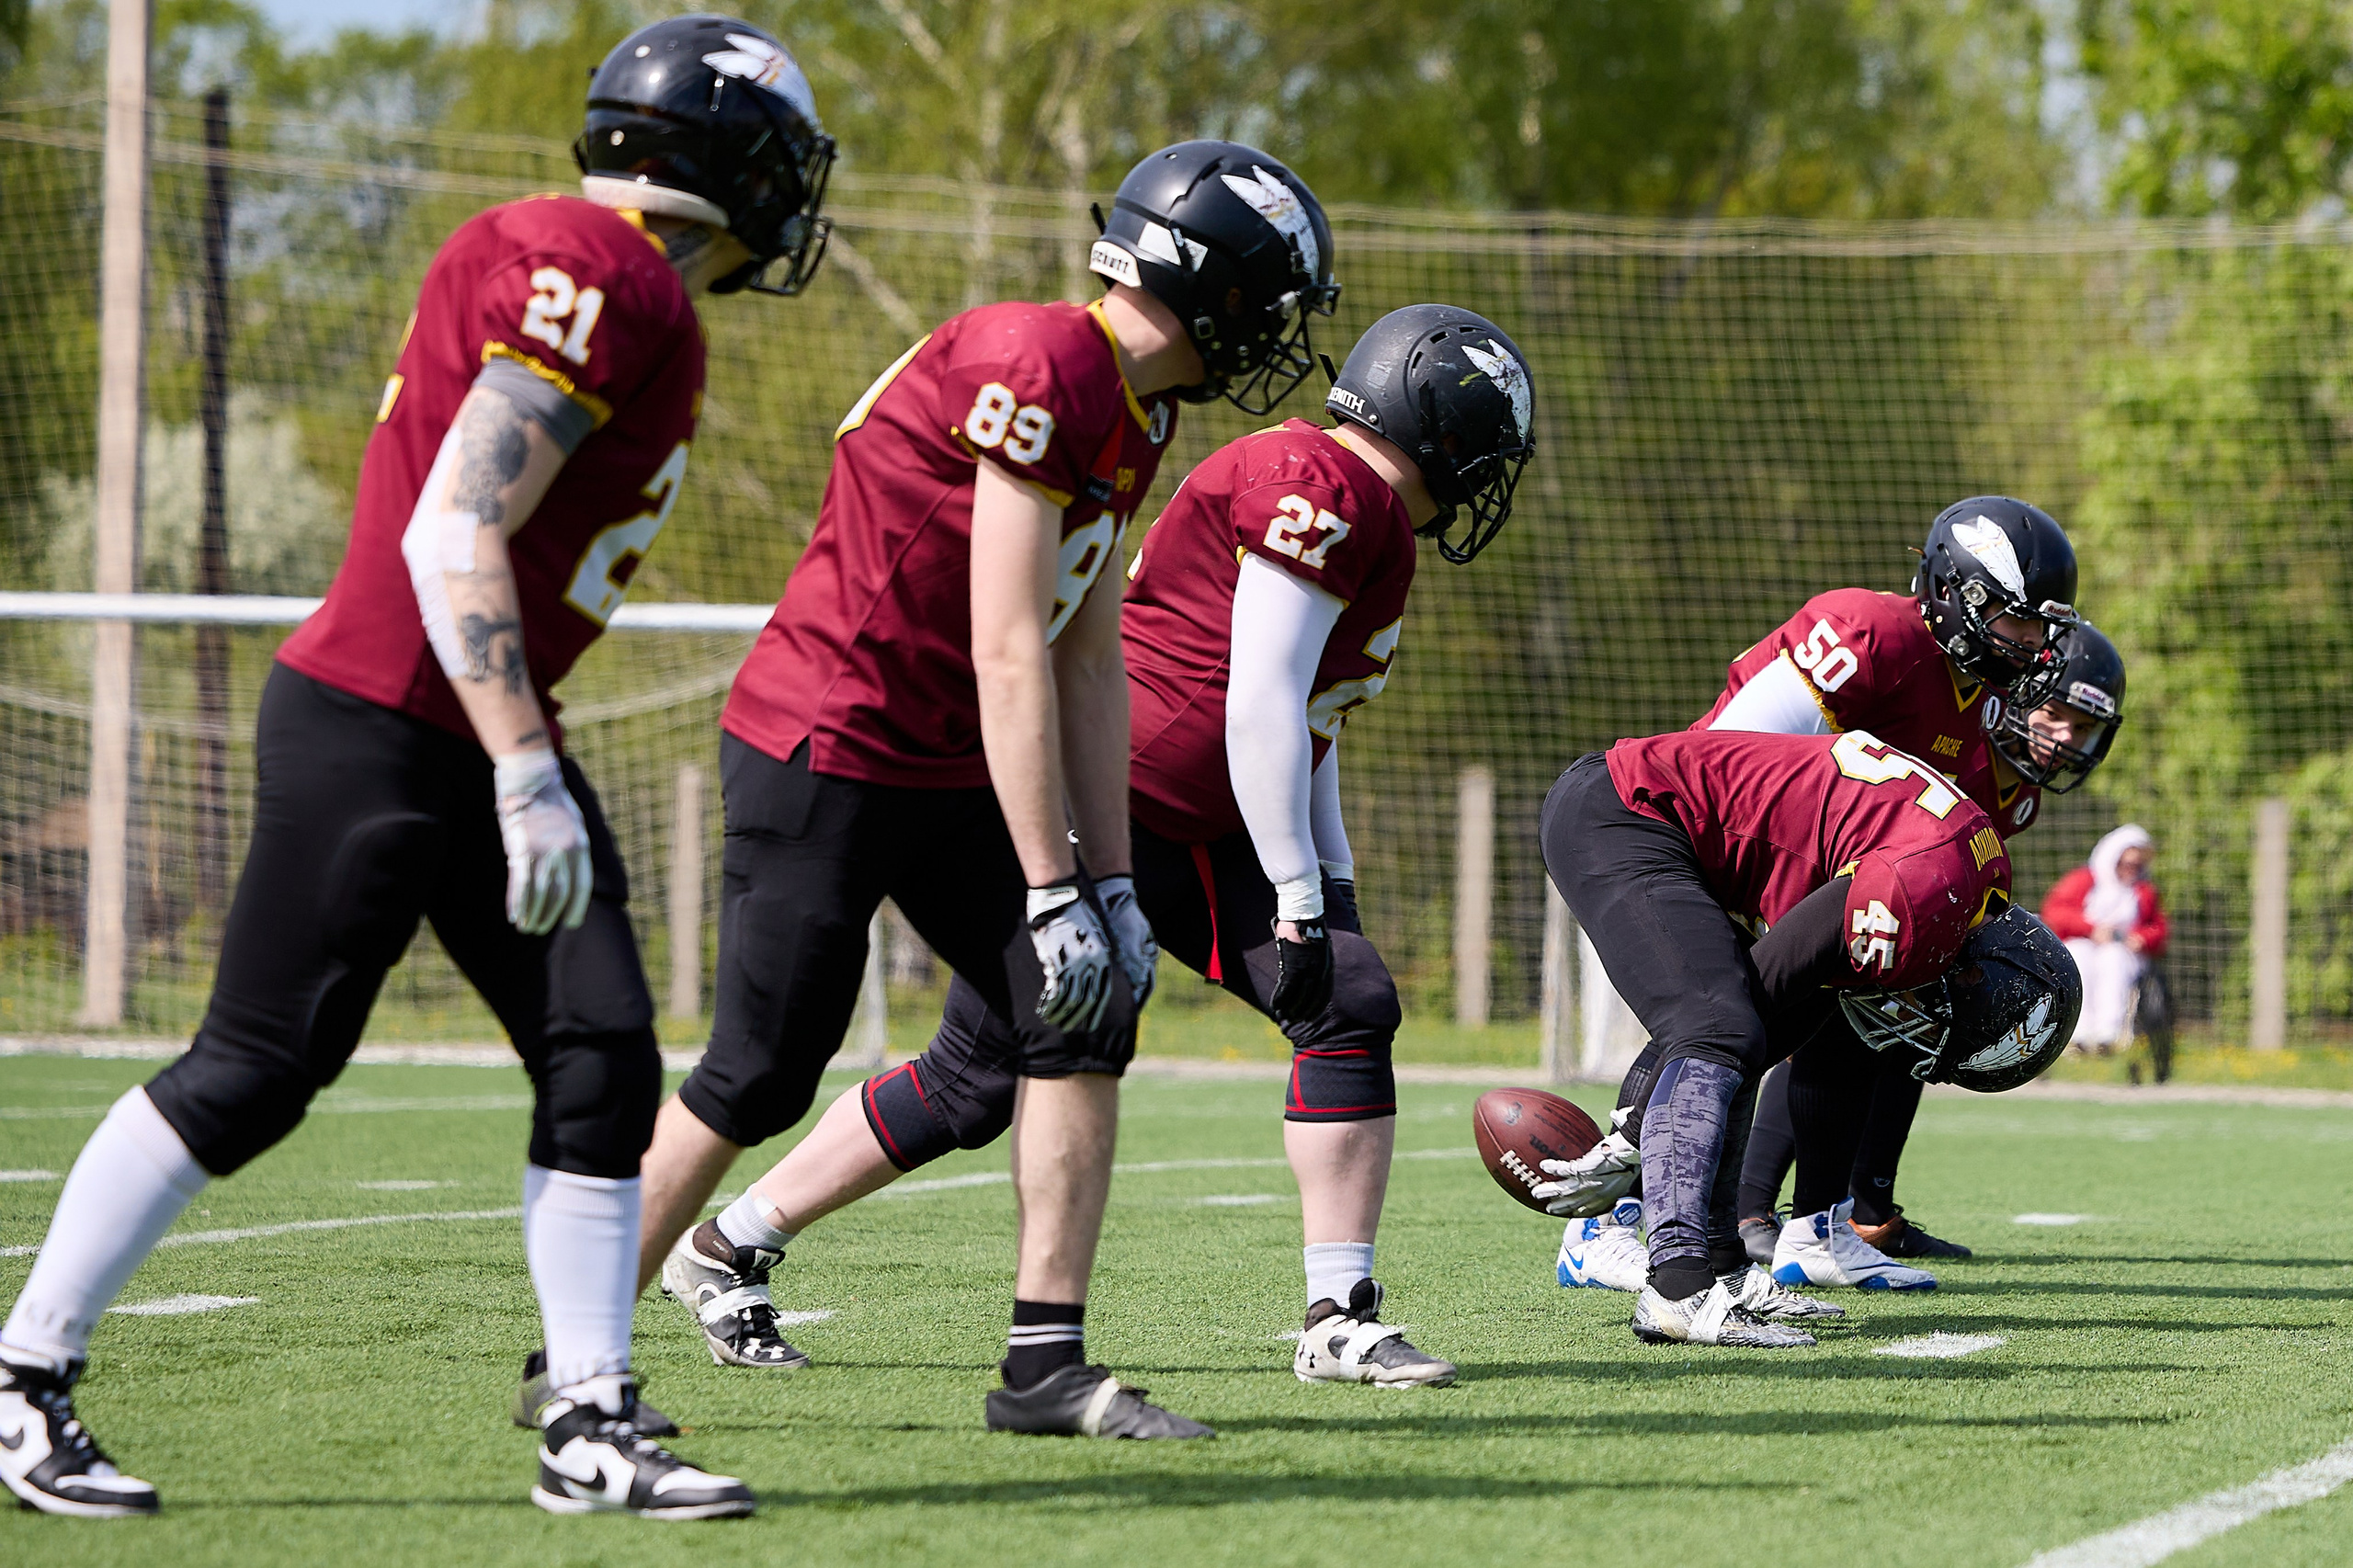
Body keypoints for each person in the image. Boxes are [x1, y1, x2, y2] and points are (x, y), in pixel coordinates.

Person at [0, 16, 835, 1520]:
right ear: (733, 163)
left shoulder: (608, 272)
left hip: (463, 721)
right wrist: (523, 765)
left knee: (600, 1048)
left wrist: (515, 750)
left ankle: (589, 1414)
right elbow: (455, 525)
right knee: (258, 1067)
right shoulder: (601, 270)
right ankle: (22, 1376)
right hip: (392, 721)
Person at [652, 303, 1535, 1392]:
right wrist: (1295, 889)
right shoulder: (1324, 486)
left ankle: (1337, 1314)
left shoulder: (1359, 506)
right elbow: (1259, 700)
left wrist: (1328, 885)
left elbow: (1312, 726)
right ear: (1447, 430)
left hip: (1201, 820)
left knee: (1347, 999)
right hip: (1112, 801)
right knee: (975, 1078)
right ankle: (727, 1240)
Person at [614, 140, 1342, 1441]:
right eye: (1269, 302)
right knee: (761, 1069)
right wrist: (1055, 884)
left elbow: (1086, 654)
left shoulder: (1139, 407)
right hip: (831, 741)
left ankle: (1044, 1366)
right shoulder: (1044, 358)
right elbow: (1004, 638)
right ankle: (573, 1350)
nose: (1275, 336)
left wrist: (1111, 883)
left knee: (1080, 1013)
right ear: (1214, 286)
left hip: (943, 758)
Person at [1549, 498, 2082, 1296]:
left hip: (1820, 868)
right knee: (1723, 1024)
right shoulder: (1874, 632)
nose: (2034, 646)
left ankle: (1819, 1224)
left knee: (1877, 1002)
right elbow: (1734, 753)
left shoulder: (1979, 701)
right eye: (2018, 621)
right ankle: (1611, 1221)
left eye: (2043, 629)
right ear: (1958, 595)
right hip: (1723, 841)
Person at [1540, 728, 2081, 1346]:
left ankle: (1723, 1268)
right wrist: (1636, 1128)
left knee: (1739, 1038)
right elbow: (1756, 996)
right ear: (1970, 975)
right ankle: (1677, 1287)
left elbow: (1793, 1002)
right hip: (1628, 810)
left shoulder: (1974, 890)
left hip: (1674, 817)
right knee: (1720, 1028)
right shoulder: (1919, 895)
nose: (1919, 1030)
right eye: (1941, 1026)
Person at [2042, 824, 2166, 1054]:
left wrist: (2141, 938)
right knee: (2078, 957)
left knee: (2113, 960)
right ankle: (2077, 1032)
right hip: (2084, 944)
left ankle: (2108, 1035)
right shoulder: (2083, 880)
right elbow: (2055, 912)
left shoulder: (2144, 891)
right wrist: (2092, 929)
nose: (2130, 869)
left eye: (2136, 865)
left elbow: (2158, 928)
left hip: (2123, 952)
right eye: (2125, 864)